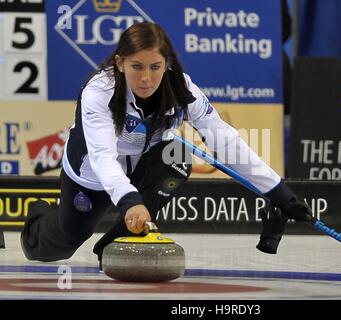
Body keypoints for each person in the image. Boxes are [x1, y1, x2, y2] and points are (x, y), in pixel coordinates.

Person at [20, 22, 311, 266]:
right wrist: (131, 202)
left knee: (177, 157)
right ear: (120, 63)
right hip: (93, 175)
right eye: (136, 66)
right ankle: (38, 214)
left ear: (167, 63)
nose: (146, 78)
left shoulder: (182, 90)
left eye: (156, 67)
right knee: (59, 245)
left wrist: (281, 194)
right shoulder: (99, 92)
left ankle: (114, 248)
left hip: (143, 162)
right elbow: (102, 158)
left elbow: (226, 140)